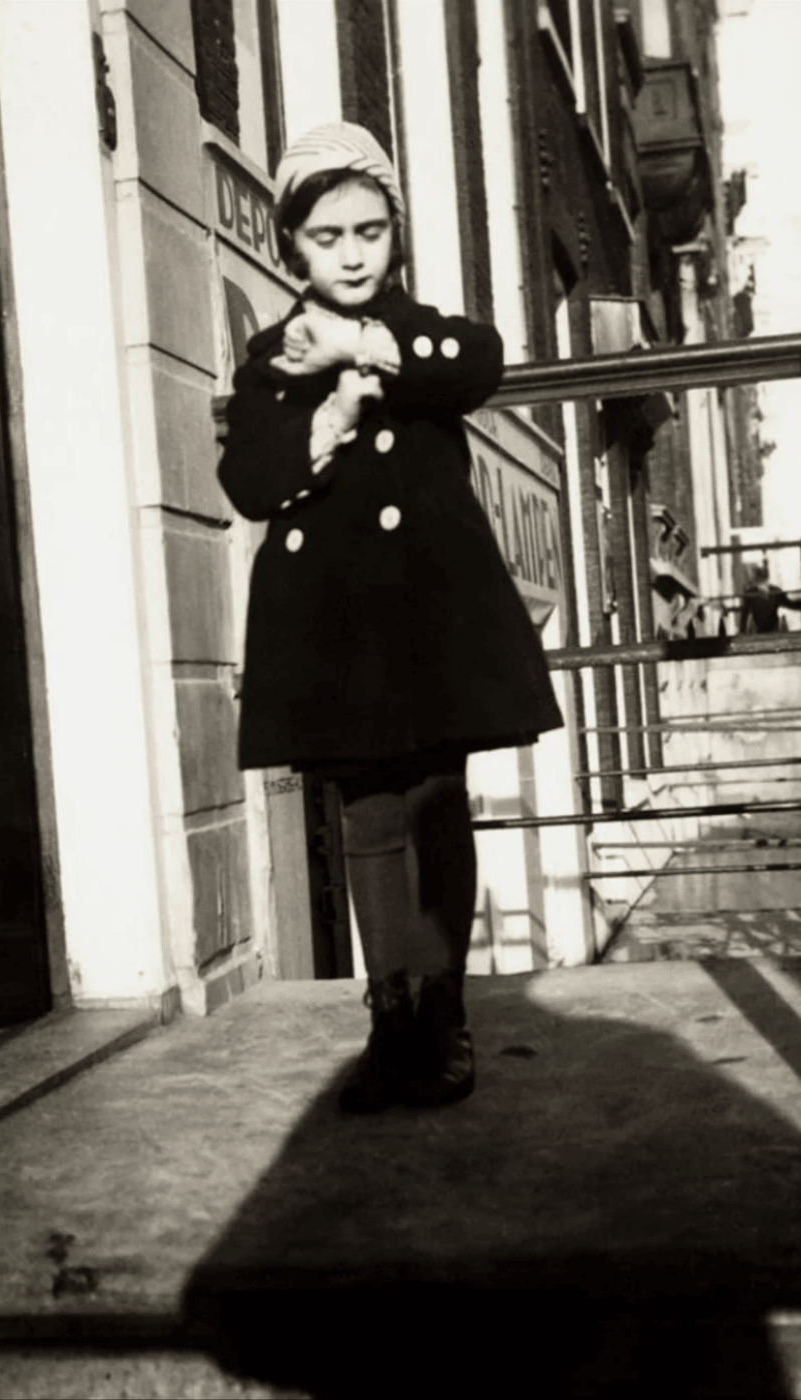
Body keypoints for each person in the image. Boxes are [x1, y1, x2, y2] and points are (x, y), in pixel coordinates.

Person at [217, 123, 564, 1114]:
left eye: (370, 229)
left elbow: (477, 363)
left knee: (434, 803)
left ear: (395, 232)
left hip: (429, 613)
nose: (354, 251)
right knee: (366, 816)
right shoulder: (271, 356)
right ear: (293, 245)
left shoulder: (422, 333)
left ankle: (445, 1016)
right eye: (327, 237)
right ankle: (393, 1019)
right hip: (335, 627)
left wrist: (368, 345)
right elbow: (248, 477)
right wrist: (328, 413)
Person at [739, 562, 801, 634]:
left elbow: (744, 614)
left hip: (767, 628)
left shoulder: (773, 591)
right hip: (765, 629)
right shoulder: (773, 591)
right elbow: (788, 603)